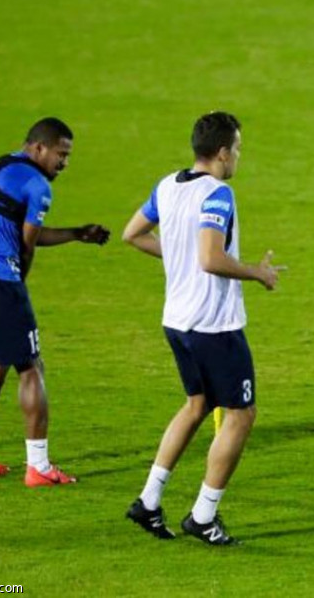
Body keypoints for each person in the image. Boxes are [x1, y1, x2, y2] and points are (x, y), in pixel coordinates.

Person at [122, 111, 283, 546]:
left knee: (196, 405)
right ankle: (204, 514)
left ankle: (149, 500)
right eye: (239, 150)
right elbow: (210, 258)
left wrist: (176, 255)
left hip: (176, 321)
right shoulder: (218, 194)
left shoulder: (167, 186)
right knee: (241, 413)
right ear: (224, 152)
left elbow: (132, 234)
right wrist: (257, 273)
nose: (239, 159)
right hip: (214, 325)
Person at [0, 117, 110, 487]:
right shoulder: (37, 184)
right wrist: (16, 285)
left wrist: (74, 234)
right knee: (31, 365)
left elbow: (7, 223)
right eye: (61, 154)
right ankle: (38, 466)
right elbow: (26, 244)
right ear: (39, 148)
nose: (64, 163)